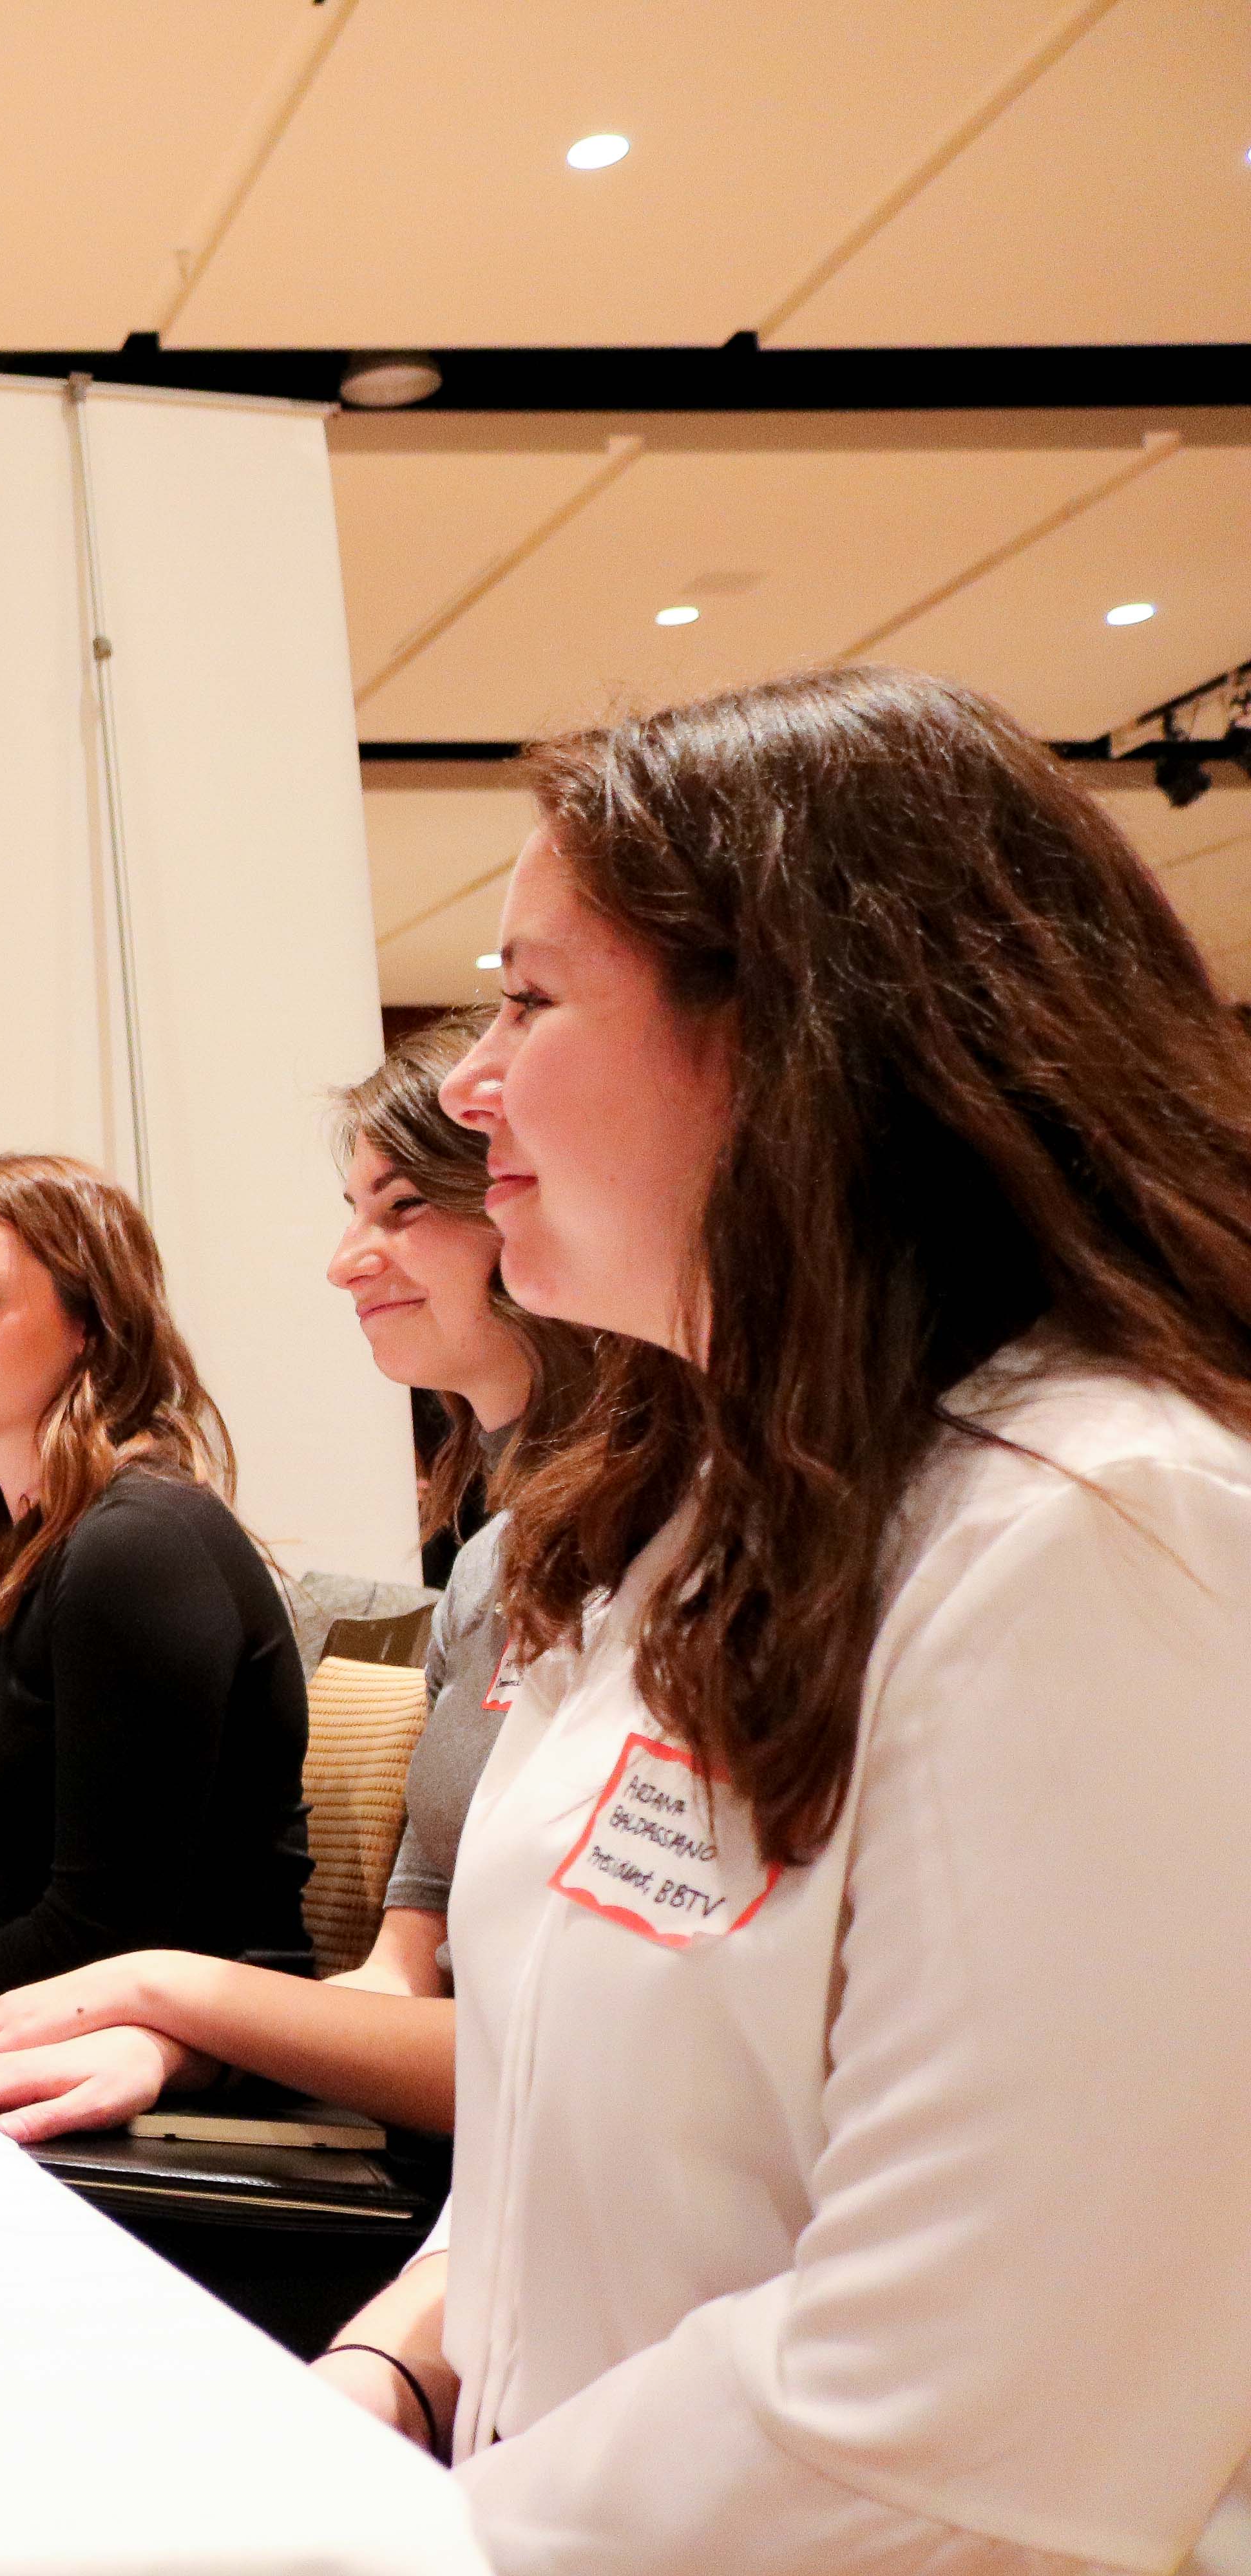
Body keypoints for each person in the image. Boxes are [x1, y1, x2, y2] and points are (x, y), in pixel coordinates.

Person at [306, 668, 1251, 2572]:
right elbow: (549, 2155)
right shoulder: (677, 1501)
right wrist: (377, 2383)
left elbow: (959, 2400)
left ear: (789, 1033)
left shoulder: (1102, 1528)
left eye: (526, 996)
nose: (469, 1081)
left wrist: (391, 2547)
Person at [0, 1016, 594, 2146]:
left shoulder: (140, 1540)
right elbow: (402, 1983)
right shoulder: (488, 1567)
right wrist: (175, 2039)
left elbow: (582, 2067)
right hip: (473, 2192)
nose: (344, 1262)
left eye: (402, 1210)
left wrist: (173, 2002)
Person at [0, 1156, 310, 2059]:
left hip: (196, 2056)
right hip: (71, 2022)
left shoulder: (138, 1544)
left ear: (90, 1325)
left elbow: (101, 1927)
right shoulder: (24, 1545)